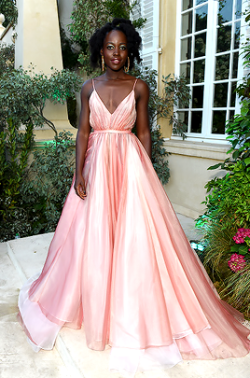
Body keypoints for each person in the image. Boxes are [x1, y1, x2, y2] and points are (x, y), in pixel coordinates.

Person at [18, 18, 250, 377]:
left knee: (135, 240)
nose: (116, 53)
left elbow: (143, 133)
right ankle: (95, 305)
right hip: (97, 168)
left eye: (123, 47)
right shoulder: (87, 88)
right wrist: (77, 171)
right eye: (110, 47)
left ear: (130, 52)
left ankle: (131, 308)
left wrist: (146, 176)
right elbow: (82, 132)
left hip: (130, 167)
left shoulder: (139, 87)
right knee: (91, 238)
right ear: (100, 50)